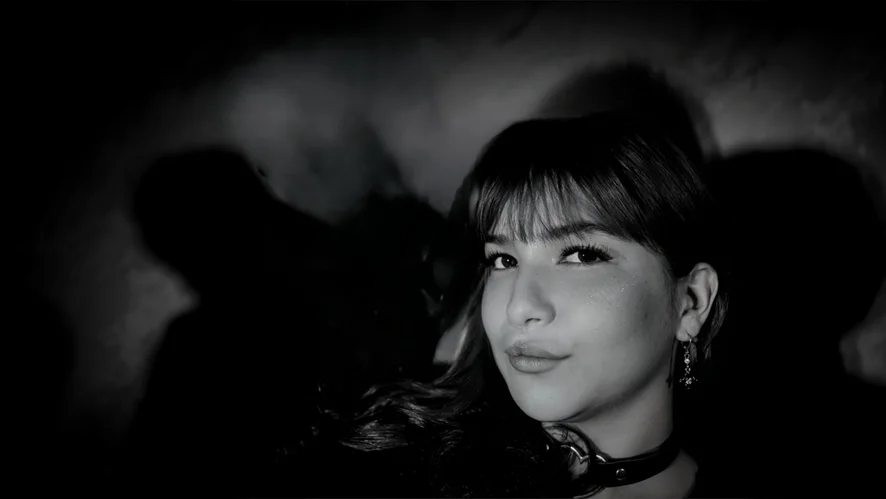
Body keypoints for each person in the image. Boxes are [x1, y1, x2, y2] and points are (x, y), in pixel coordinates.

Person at [280, 111, 732, 498]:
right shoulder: (394, 467)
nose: (518, 307)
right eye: (504, 259)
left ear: (691, 302)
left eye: (581, 255)